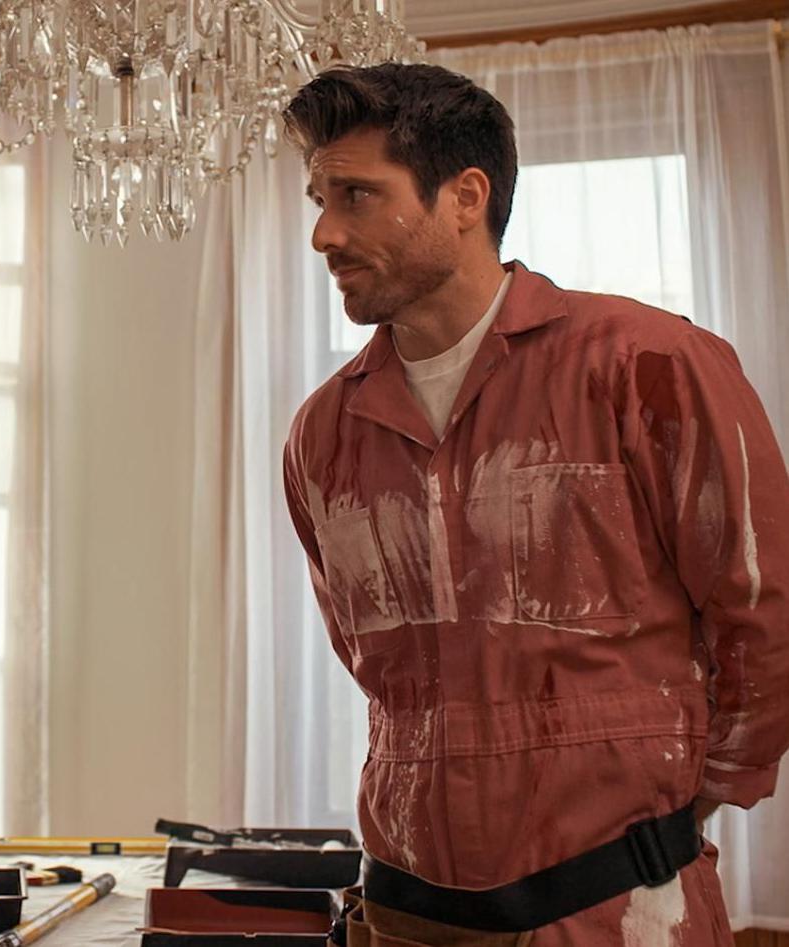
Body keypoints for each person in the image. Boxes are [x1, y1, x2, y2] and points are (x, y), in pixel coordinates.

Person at [280, 64, 789, 943]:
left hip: (620, 910)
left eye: (357, 195)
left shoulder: (644, 365)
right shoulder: (324, 432)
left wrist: (671, 811)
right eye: (320, 200)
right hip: (402, 915)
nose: (325, 232)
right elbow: (377, 669)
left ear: (465, 196)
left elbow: (766, 614)